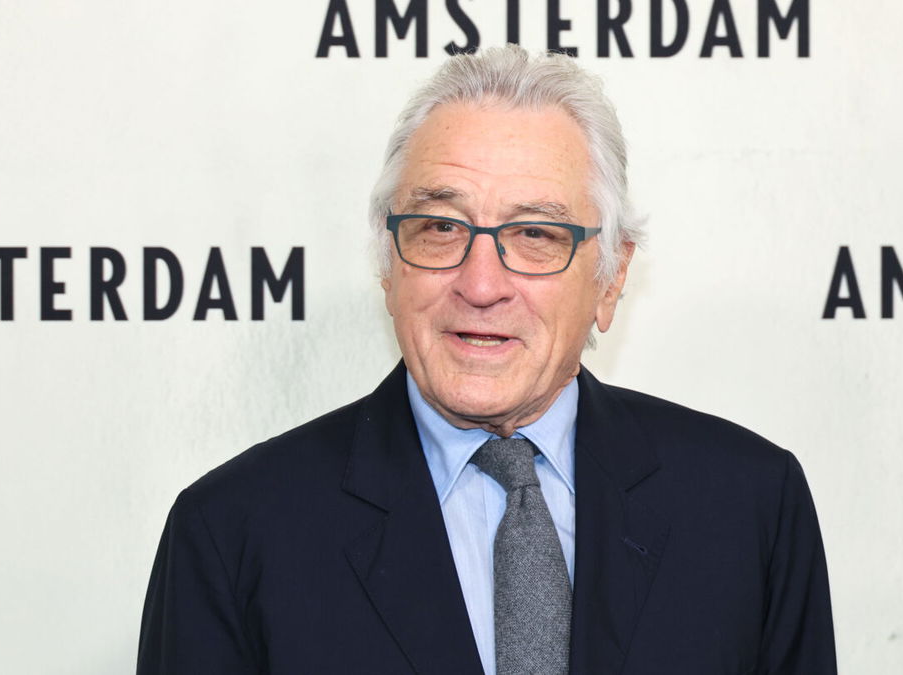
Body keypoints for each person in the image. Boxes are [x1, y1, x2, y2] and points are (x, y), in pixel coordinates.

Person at [138, 46, 836, 675]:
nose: (479, 284)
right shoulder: (232, 534)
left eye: (535, 234)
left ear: (612, 276)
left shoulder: (750, 509)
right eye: (441, 228)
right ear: (388, 263)